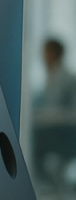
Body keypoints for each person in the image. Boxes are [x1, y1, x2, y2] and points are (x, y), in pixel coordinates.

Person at [32, 38, 76, 187]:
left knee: (34, 139)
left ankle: (46, 184)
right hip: (60, 126)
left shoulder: (63, 77)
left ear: (53, 54)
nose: (42, 56)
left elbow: (58, 110)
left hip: (66, 129)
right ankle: (48, 184)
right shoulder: (52, 76)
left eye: (45, 52)